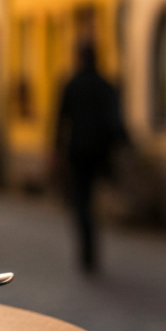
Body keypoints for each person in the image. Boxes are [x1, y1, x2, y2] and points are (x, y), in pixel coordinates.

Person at [54, 42, 127, 274]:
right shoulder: (105, 86)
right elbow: (115, 120)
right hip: (99, 153)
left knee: (81, 201)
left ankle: (86, 250)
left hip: (77, 152)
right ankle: (91, 250)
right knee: (90, 200)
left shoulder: (72, 84)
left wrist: (56, 150)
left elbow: (60, 120)